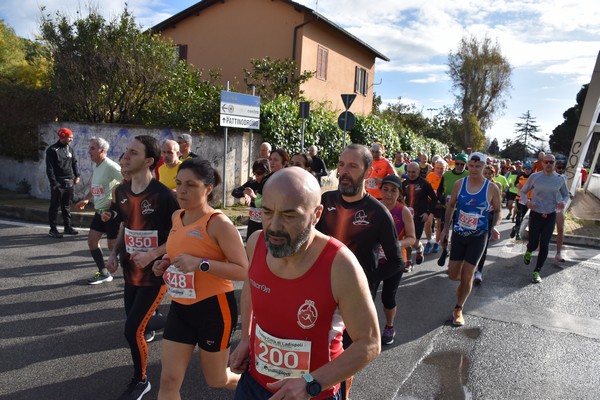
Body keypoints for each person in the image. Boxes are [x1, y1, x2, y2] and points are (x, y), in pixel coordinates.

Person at [229, 167, 381, 400]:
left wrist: (310, 382)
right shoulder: (256, 242)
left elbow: (369, 343)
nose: (274, 226)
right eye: (268, 212)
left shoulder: (340, 265)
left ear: (316, 214)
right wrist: (247, 339)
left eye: (290, 215)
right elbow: (252, 287)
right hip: (254, 384)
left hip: (312, 393)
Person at [151, 158, 248, 397]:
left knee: (217, 379)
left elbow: (243, 270)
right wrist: (164, 264)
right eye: (179, 183)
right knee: (168, 379)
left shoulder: (218, 224)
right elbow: (178, 254)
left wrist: (200, 265)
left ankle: (261, 389)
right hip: (181, 308)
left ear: (207, 188)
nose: (181, 190)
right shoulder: (177, 216)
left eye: (190, 185)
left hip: (214, 309)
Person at [316, 144, 403, 398]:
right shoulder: (325, 201)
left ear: (367, 173)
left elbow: (396, 261)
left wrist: (364, 281)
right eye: (341, 165)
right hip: (320, 290)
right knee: (317, 348)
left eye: (352, 166)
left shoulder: (378, 213)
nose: (344, 171)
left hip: (353, 300)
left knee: (343, 359)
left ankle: (341, 395)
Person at [106, 135, 180, 400]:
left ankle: (141, 381)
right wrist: (114, 253)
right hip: (130, 273)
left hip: (155, 275)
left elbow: (179, 235)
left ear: (149, 161)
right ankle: (172, 318)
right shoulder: (121, 191)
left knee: (132, 329)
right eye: (127, 151)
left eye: (133, 153)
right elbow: (125, 226)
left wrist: (152, 255)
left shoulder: (163, 196)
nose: (126, 156)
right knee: (137, 325)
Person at [439, 152, 501, 326]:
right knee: (453, 274)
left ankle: (458, 309)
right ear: (468, 166)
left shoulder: (491, 188)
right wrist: (445, 229)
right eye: (471, 166)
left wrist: (494, 226)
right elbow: (451, 206)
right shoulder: (460, 184)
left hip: (479, 235)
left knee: (468, 274)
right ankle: (464, 287)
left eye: (478, 166)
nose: (474, 169)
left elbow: (497, 210)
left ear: (484, 167)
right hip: (459, 234)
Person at [75, 137, 123, 284]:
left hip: (111, 213)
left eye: (92, 148)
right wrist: (87, 199)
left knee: (112, 246)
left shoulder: (110, 166)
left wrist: (113, 200)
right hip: (99, 211)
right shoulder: (97, 166)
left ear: (102, 151)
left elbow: (127, 181)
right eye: (89, 148)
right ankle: (104, 273)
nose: (89, 151)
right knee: (92, 241)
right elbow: (96, 186)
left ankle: (133, 274)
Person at [377, 174, 416, 345]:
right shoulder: (374, 206)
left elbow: (412, 238)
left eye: (393, 191)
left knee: (387, 297)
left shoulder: (403, 211)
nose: (388, 194)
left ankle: (389, 326)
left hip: (394, 261)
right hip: (374, 260)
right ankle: (364, 329)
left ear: (399, 193)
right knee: (365, 295)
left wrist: (396, 244)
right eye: (385, 190)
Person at [520, 154, 570, 283]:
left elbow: (566, 195)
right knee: (534, 242)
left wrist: (563, 202)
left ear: (554, 164)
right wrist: (527, 202)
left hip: (550, 214)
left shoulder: (560, 179)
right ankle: (529, 250)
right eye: (546, 162)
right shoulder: (535, 176)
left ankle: (537, 271)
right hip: (536, 214)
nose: (548, 164)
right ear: (542, 163)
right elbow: (523, 192)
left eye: (551, 162)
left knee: (544, 244)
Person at [45, 127, 81, 238]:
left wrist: (77, 175)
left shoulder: (70, 149)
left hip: (69, 181)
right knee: (55, 206)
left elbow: (74, 162)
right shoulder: (52, 150)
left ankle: (68, 227)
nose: (71, 139)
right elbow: (49, 168)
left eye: (72, 137)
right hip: (58, 182)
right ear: (62, 137)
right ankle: (53, 229)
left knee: (66, 205)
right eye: (69, 137)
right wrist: (53, 183)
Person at [402, 162, 438, 270]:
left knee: (415, 242)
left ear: (418, 171)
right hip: (407, 216)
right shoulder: (404, 184)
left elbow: (434, 199)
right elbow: (399, 198)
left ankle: (419, 249)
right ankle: (408, 262)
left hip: (419, 217)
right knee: (407, 239)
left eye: (413, 172)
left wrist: (427, 213)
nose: (411, 174)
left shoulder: (424, 184)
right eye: (409, 172)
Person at [437, 153, 469, 266]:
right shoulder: (447, 174)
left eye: (462, 164)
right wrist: (443, 199)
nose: (459, 166)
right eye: (457, 163)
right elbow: (439, 190)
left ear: (466, 165)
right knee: (443, 232)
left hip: (461, 211)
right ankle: (445, 250)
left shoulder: (468, 175)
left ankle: (453, 259)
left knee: (457, 236)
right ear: (454, 163)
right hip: (447, 208)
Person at [473, 165, 502, 284]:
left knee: (483, 246)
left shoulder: (496, 186)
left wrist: (495, 226)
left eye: (490, 173)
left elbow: (498, 208)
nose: (487, 175)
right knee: (471, 243)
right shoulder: (475, 185)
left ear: (493, 175)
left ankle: (479, 271)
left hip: (488, 218)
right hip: (474, 217)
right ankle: (469, 267)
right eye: (485, 173)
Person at [231, 158, 271, 242]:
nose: (257, 176)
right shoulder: (252, 184)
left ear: (267, 172)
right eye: (255, 173)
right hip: (253, 223)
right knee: (250, 247)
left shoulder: (271, 184)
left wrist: (254, 197)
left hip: (267, 224)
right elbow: (235, 192)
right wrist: (245, 193)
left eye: (260, 173)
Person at [424, 159, 447, 254]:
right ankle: (429, 241)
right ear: (434, 168)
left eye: (442, 168)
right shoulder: (430, 176)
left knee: (438, 225)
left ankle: (436, 243)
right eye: (437, 168)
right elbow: (425, 188)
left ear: (445, 169)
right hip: (430, 202)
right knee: (428, 222)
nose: (439, 170)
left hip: (441, 204)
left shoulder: (446, 178)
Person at [554, 160, 571, 262]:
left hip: (558, 206)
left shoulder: (564, 177)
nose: (560, 170)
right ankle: (539, 246)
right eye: (558, 167)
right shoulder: (547, 176)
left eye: (562, 168)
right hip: (547, 206)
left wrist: (569, 195)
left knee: (560, 228)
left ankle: (558, 253)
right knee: (545, 229)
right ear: (555, 167)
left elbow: (565, 191)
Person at [511, 162, 533, 240]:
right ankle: (517, 232)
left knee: (524, 216)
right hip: (519, 198)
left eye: (529, 169)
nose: (527, 170)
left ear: (531, 169)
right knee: (519, 214)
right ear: (523, 169)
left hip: (528, 199)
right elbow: (515, 183)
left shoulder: (533, 176)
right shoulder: (520, 175)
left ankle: (516, 228)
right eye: (526, 169)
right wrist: (517, 185)